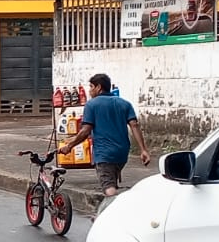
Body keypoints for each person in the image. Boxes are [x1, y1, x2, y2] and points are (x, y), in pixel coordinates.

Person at [57, 72, 150, 209]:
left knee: (109, 188)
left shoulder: (92, 105)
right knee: (112, 181)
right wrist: (143, 150)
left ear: (99, 87)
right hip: (122, 153)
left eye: (91, 87)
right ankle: (107, 212)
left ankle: (112, 214)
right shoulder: (124, 104)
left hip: (104, 153)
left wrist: (69, 146)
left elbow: (85, 131)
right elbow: (134, 125)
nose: (89, 91)